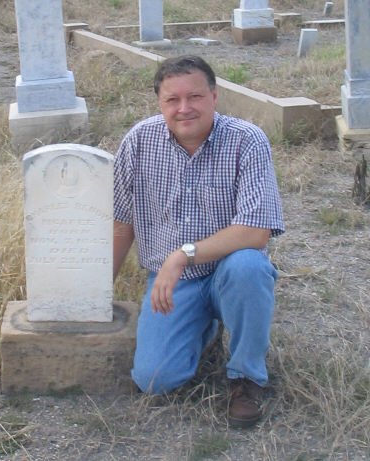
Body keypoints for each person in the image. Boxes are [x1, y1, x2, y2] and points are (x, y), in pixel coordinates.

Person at [113, 55, 284, 428]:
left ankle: (246, 378)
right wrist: (97, 293)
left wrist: (182, 255)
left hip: (229, 272)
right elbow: (122, 222)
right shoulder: (138, 142)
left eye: (195, 96)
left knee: (250, 266)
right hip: (176, 284)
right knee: (155, 380)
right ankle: (204, 329)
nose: (184, 108)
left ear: (214, 96)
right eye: (172, 100)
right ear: (160, 103)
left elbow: (256, 231)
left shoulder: (247, 140)